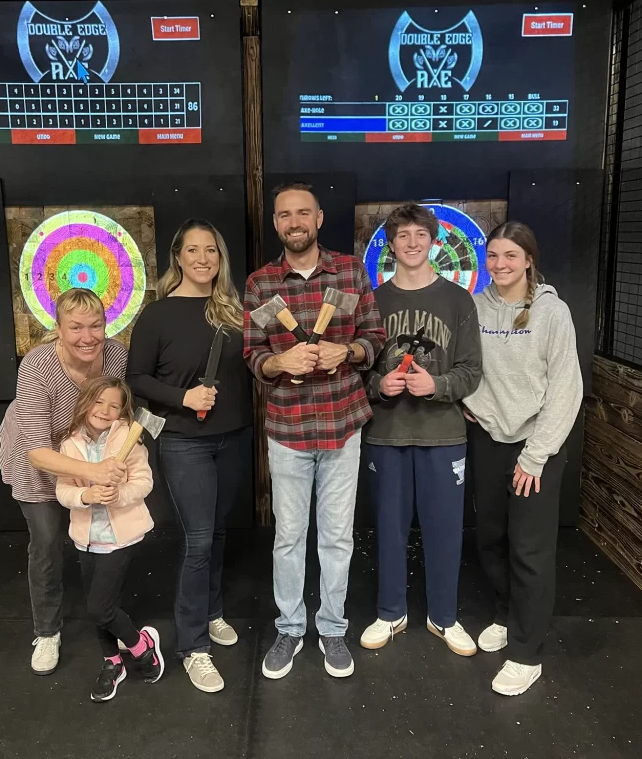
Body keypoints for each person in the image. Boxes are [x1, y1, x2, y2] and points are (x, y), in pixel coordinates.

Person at [244, 181, 385, 680]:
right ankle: (289, 626)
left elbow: (375, 336)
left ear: (319, 218)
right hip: (287, 427)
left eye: (303, 213)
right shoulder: (261, 283)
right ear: (277, 223)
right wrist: (277, 360)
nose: (294, 222)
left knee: (337, 537)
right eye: (285, 215)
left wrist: (346, 352)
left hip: (343, 422)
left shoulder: (349, 271)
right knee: (288, 536)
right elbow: (252, 354)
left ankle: (331, 627)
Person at [127, 219, 252, 694]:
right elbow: (138, 379)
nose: (203, 259)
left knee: (218, 531)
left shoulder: (233, 311)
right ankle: (193, 645)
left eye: (212, 251)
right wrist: (184, 399)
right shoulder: (157, 315)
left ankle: (212, 611)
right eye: (194, 250)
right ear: (177, 256)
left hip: (233, 438)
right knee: (199, 539)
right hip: (184, 441)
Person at [462, 221, 582, 696]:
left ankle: (526, 654)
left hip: (537, 448)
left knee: (529, 550)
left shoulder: (553, 312)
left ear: (529, 260)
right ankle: (505, 616)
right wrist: (468, 404)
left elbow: (566, 390)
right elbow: (466, 367)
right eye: (492, 255)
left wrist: (535, 457)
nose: (500, 264)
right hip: (490, 440)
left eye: (510, 255)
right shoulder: (475, 307)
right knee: (490, 537)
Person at [360, 203, 483, 656]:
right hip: (386, 435)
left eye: (420, 235)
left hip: (443, 434)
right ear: (390, 245)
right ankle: (391, 612)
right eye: (403, 236)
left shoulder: (457, 300)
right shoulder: (373, 301)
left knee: (445, 528)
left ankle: (443, 617)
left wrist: (438, 384)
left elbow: (471, 371)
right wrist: (379, 383)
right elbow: (357, 370)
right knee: (388, 528)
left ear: (434, 242)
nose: (412, 243)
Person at [0, 288, 129, 675]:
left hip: (90, 457)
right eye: (75, 327)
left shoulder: (116, 356)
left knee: (101, 538)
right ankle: (47, 631)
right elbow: (37, 450)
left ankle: (109, 619)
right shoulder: (37, 367)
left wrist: (111, 461)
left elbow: (117, 412)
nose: (87, 336)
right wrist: (93, 474)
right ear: (58, 329)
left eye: (96, 325)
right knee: (48, 543)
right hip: (39, 463)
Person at [55, 377, 164, 701]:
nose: (105, 410)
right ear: (86, 402)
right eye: (99, 402)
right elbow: (63, 490)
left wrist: (118, 494)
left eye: (114, 405)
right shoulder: (69, 445)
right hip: (86, 537)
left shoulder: (129, 440)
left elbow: (144, 483)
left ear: (122, 411)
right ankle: (113, 662)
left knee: (98, 607)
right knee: (100, 607)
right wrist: (87, 494)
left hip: (121, 537)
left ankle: (141, 646)